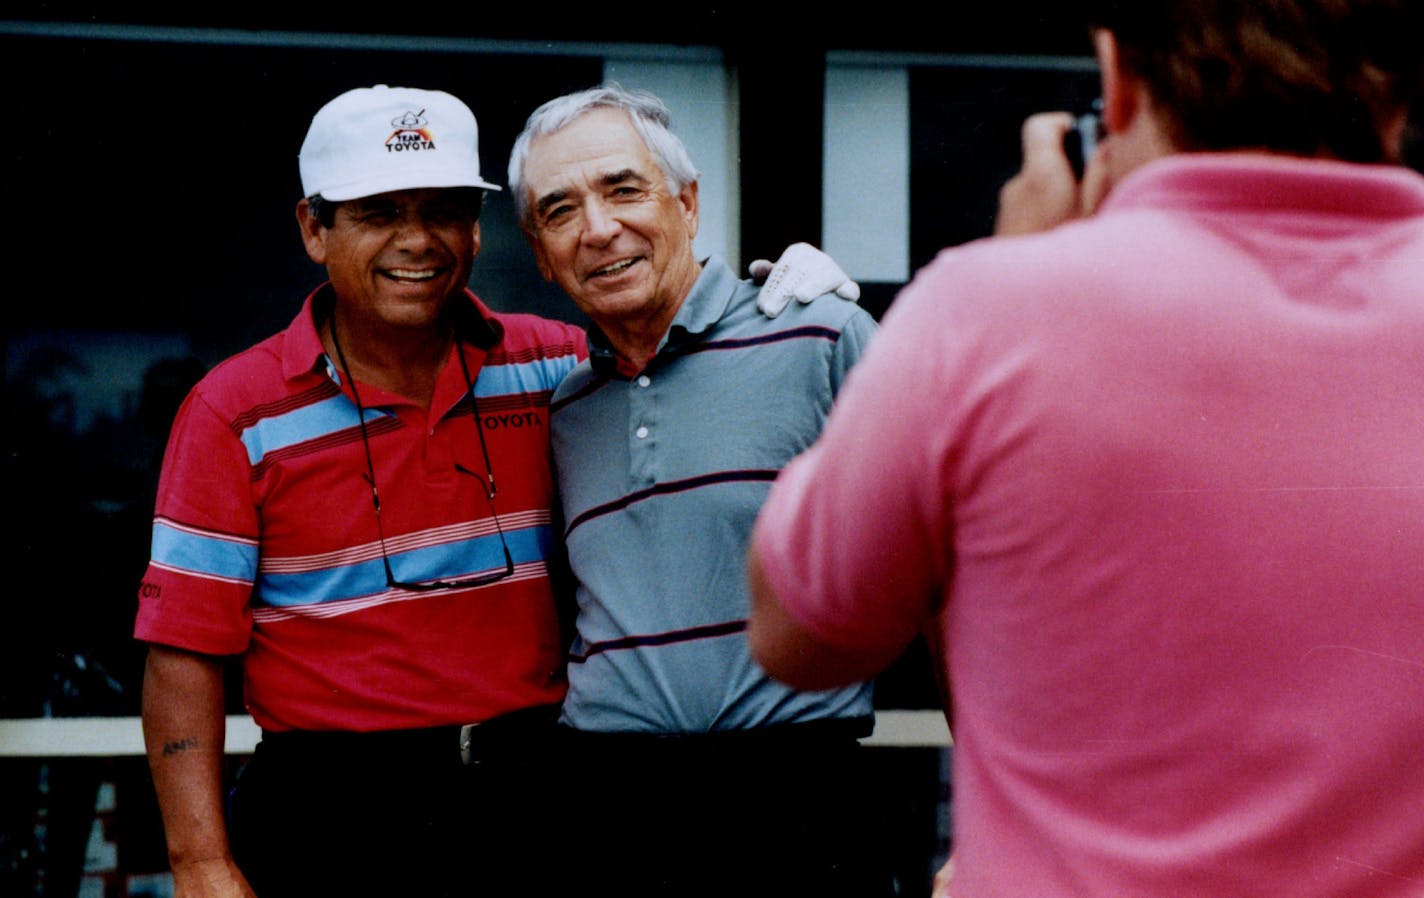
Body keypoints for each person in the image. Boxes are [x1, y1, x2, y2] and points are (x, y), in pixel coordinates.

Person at [746, 2, 1424, 897]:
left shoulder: (988, 310)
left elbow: (796, 627)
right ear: (1400, 94)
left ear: (1119, 80)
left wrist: (1014, 270)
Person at [135, 83, 855, 898]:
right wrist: (200, 863)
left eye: (442, 209)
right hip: (332, 816)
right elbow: (183, 655)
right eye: (379, 213)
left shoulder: (555, 367)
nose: (418, 241)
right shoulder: (235, 410)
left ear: (476, 230)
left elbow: (669, 342)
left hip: (537, 801)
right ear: (313, 228)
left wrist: (781, 300)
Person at [507, 84, 895, 897]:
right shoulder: (568, 407)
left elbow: (952, 591)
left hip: (797, 805)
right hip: (605, 811)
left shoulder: (820, 336)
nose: (599, 228)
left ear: (687, 202)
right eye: (560, 210)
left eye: (623, 188)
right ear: (540, 253)